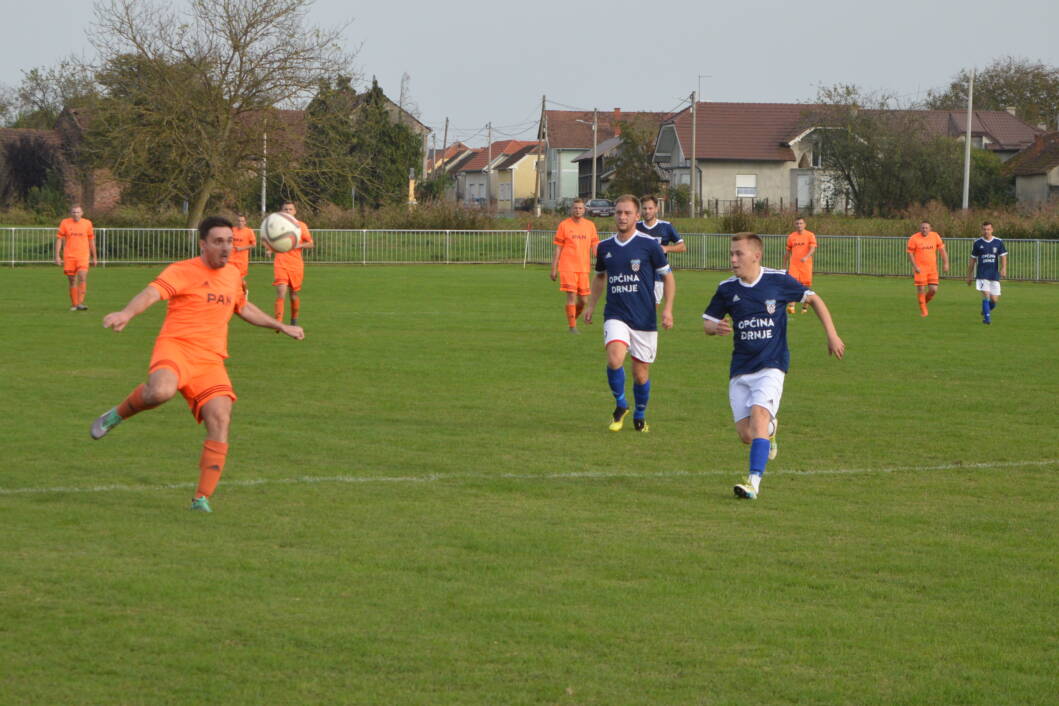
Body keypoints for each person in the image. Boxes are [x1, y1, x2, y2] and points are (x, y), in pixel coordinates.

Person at [89, 216, 305, 512]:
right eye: (218, 242)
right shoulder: (182, 270)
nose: (226, 248)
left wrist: (280, 325)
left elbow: (243, 307)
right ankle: (116, 415)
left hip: (210, 359)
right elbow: (151, 293)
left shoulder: (233, 275)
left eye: (230, 241)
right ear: (203, 244)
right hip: (176, 347)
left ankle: (201, 498)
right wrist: (127, 313)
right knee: (160, 392)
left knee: (221, 419)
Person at [703, 233, 844, 500]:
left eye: (739, 254)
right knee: (747, 435)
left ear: (756, 256)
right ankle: (771, 429)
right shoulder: (727, 289)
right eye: (731, 254)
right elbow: (707, 322)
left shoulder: (777, 280)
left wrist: (832, 335)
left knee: (758, 416)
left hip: (772, 365)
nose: (733, 259)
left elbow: (814, 299)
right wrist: (715, 327)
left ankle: (753, 482)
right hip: (741, 368)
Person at [583, 194, 674, 433]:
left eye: (627, 213)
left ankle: (640, 413)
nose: (622, 217)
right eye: (619, 213)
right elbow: (600, 277)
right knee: (615, 359)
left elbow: (668, 277)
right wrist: (591, 306)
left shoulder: (649, 245)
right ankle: (621, 404)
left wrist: (667, 309)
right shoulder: (605, 247)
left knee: (640, 374)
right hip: (616, 314)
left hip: (644, 318)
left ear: (637, 216)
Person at [550, 198, 599, 333]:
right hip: (567, 267)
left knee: (583, 300)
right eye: (575, 208)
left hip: (583, 268)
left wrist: (601, 260)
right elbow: (558, 248)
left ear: (584, 210)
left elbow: (595, 245)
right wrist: (554, 268)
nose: (578, 210)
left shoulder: (590, 226)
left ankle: (572, 320)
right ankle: (572, 327)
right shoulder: (564, 225)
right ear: (571, 209)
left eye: (580, 208)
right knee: (571, 296)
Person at [265, 201, 314, 326]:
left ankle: (294, 319)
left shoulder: (301, 226)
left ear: (295, 211)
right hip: (280, 262)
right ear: (281, 211)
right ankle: (278, 322)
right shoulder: (278, 226)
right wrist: (270, 249)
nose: (288, 211)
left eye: (290, 209)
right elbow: (273, 241)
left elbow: (311, 243)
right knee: (281, 291)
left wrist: (298, 244)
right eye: (285, 209)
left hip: (295, 264)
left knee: (293, 294)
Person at [635, 194, 685, 305]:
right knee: (637, 306)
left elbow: (682, 246)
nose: (647, 211)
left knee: (653, 306)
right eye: (644, 208)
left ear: (656, 209)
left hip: (658, 274)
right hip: (638, 273)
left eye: (650, 208)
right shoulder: (635, 227)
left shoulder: (666, 226)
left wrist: (666, 248)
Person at [54, 205, 97, 311]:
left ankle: (80, 303)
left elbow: (91, 240)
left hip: (83, 255)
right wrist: (57, 256)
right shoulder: (65, 223)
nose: (76, 214)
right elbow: (59, 239)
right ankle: (74, 304)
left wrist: (94, 256)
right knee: (72, 280)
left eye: (78, 212)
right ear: (71, 213)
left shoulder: (87, 223)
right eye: (74, 212)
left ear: (82, 213)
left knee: (82, 276)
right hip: (69, 256)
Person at [966, 221, 1008, 325]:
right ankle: (987, 319)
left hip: (994, 274)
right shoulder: (977, 243)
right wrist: (969, 275)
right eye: (984, 229)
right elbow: (973, 260)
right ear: (982, 230)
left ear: (992, 230)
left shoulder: (998, 242)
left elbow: (1003, 256)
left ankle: (986, 310)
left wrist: (1003, 268)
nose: (986, 231)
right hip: (982, 274)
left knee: (994, 300)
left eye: (988, 229)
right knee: (986, 296)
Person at [906, 220, 949, 317]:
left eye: (926, 228)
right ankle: (924, 311)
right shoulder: (914, 238)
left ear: (930, 229)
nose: (924, 229)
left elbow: (942, 250)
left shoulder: (935, 236)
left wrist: (946, 263)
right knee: (921, 288)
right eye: (922, 228)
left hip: (932, 269)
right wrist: (915, 266)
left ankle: (922, 302)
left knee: (933, 290)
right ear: (920, 228)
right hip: (920, 269)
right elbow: (910, 254)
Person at [782, 216, 816, 314]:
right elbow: (788, 252)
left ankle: (805, 307)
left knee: (806, 286)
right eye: (797, 223)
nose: (799, 225)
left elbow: (812, 248)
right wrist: (784, 266)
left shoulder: (810, 235)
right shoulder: (791, 236)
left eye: (801, 223)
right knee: (792, 284)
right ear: (794, 225)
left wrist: (806, 257)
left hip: (806, 265)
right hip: (794, 265)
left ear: (805, 225)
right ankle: (791, 306)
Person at [230, 213, 257, 282]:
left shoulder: (249, 231)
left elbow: (254, 245)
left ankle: (243, 288)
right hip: (231, 259)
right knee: (230, 278)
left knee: (240, 279)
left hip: (242, 260)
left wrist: (242, 248)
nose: (240, 222)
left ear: (245, 222)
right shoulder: (232, 230)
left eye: (242, 221)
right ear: (236, 221)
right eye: (239, 221)